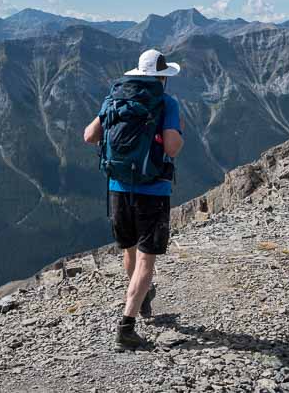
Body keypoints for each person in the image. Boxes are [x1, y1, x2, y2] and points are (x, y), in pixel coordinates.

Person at [83, 49, 184, 350]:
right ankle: (127, 327)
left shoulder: (114, 98)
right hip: (152, 190)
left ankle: (141, 296)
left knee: (129, 250)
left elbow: (89, 136)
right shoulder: (166, 102)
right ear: (162, 77)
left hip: (117, 187)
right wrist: (178, 136)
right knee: (146, 260)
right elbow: (173, 147)